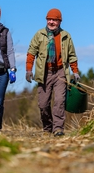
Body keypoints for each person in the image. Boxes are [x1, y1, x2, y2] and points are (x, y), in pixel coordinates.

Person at [25, 8, 80, 137]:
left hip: (61, 72)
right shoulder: (39, 35)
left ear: (59, 21)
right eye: (49, 19)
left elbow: (72, 55)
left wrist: (75, 71)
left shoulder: (66, 36)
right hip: (45, 73)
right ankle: (47, 128)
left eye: (54, 20)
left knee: (59, 101)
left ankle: (58, 129)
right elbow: (31, 52)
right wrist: (28, 70)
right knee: (43, 104)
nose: (51, 22)